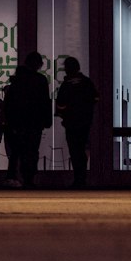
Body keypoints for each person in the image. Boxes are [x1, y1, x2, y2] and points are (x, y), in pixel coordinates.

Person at [2, 53, 51, 188]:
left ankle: (13, 176)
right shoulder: (40, 80)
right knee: (32, 150)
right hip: (35, 122)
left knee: (17, 150)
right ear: (38, 64)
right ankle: (28, 178)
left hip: (17, 122)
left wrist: (9, 121)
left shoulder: (17, 80)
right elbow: (45, 102)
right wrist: (46, 120)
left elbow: (10, 102)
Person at [55, 56, 99, 188]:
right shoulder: (86, 82)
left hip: (71, 123)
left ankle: (78, 178)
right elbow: (96, 97)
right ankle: (82, 177)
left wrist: (65, 114)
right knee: (82, 149)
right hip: (85, 122)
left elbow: (60, 104)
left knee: (75, 150)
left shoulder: (66, 84)